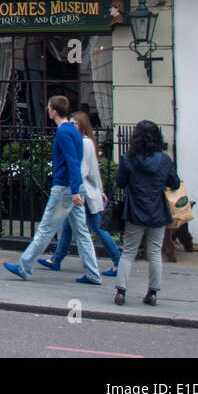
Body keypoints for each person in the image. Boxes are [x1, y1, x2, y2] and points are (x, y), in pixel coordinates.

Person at [4, 96, 102, 284]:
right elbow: (77, 159)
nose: (48, 110)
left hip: (65, 188)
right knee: (81, 232)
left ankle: (24, 267)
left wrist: (73, 190)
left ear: (54, 111)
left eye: (49, 107)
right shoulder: (73, 130)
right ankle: (93, 273)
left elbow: (72, 162)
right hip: (73, 186)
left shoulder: (64, 132)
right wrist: (76, 188)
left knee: (46, 228)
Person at [42, 111, 120, 277]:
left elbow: (84, 170)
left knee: (96, 228)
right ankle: (56, 259)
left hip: (81, 192)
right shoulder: (88, 142)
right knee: (68, 227)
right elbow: (95, 170)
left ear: (82, 125)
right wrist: (100, 190)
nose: (71, 126)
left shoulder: (83, 144)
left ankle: (118, 260)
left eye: (75, 124)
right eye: (70, 123)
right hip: (84, 191)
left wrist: (78, 188)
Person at [114, 120, 181, 306]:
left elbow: (120, 183)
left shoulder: (127, 159)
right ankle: (152, 293)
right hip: (157, 211)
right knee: (154, 252)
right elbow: (174, 183)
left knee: (128, 251)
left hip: (135, 210)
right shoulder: (165, 160)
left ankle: (121, 291)